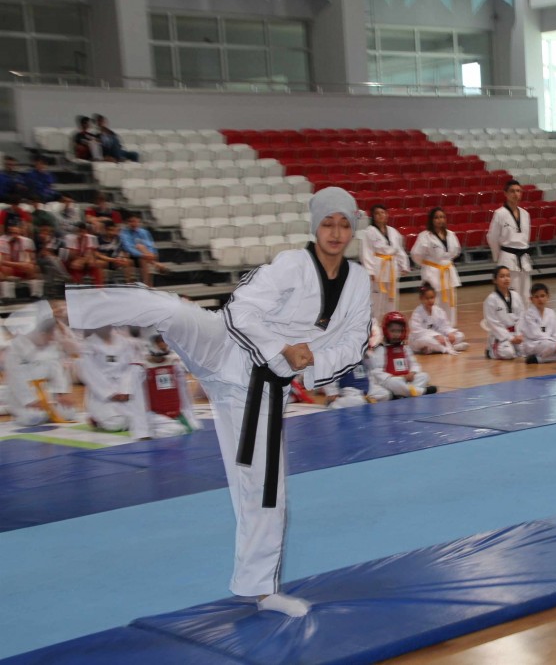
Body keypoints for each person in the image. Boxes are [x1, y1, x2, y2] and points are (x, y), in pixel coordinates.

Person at [66, 186, 373, 617]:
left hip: (260, 392)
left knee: (265, 493)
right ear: (314, 226)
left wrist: (314, 364)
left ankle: (261, 591)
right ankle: (74, 310)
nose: (336, 233)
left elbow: (355, 339)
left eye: (343, 224)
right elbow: (240, 309)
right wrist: (282, 348)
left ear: (353, 228)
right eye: (327, 223)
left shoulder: (358, 282)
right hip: (222, 347)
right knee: (169, 310)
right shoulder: (291, 264)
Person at [4, 301, 76, 425]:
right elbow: (15, 379)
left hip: (47, 397)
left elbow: (57, 371)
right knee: (33, 417)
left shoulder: (50, 346)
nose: (52, 338)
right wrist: (30, 401)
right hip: (23, 400)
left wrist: (62, 393)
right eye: (50, 335)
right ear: (42, 333)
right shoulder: (17, 349)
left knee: (68, 413)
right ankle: (16, 411)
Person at [76, 325, 150, 439]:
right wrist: (110, 393)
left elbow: (130, 368)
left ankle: (122, 417)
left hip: (124, 390)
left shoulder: (124, 343)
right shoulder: (88, 345)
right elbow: (90, 373)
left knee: (144, 418)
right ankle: (96, 419)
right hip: (101, 394)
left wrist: (125, 390)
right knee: (115, 424)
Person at [366, 311, 436, 400]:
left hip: (406, 379)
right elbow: (376, 371)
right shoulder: (381, 349)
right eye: (392, 331)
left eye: (399, 331)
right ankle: (421, 391)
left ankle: (401, 393)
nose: (396, 334)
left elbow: (414, 364)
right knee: (393, 383)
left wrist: (412, 373)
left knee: (424, 376)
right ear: (385, 330)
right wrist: (392, 377)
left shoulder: (405, 348)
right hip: (393, 380)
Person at [410, 207, 462, 326]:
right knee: (434, 301)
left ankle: (449, 328)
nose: (440, 220)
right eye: (437, 217)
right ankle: (433, 327)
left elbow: (456, 251)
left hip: (448, 271)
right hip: (432, 272)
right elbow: (416, 254)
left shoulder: (451, 234)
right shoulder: (425, 236)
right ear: (431, 220)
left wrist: (445, 261)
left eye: (442, 217)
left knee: (450, 302)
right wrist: (427, 264)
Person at [140, 332, 199, 437]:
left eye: (165, 343)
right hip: (156, 413)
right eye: (160, 343)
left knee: (193, 428)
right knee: (172, 432)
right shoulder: (142, 367)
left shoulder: (174, 363)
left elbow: (184, 392)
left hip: (175, 410)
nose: (163, 346)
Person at [360, 204, 410, 323]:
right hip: (378, 269)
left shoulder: (393, 232)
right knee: (376, 299)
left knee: (392, 298)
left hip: (391, 268)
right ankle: (374, 326)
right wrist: (370, 271)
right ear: (373, 217)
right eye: (377, 213)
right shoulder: (368, 232)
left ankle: (391, 324)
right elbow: (366, 252)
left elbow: (399, 250)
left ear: (387, 215)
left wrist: (404, 265)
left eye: (382, 213)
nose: (380, 215)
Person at [487, 179, 532, 298]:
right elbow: (492, 238)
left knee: (526, 295)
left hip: (524, 259)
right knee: (512, 294)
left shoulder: (525, 214)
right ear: (505, 194)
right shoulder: (500, 214)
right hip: (507, 258)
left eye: (518, 191)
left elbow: (526, 237)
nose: (516, 194)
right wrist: (498, 256)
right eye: (512, 191)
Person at [521, 282, 556, 365]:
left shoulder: (551, 313)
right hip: (534, 345)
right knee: (547, 345)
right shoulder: (528, 314)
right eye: (536, 297)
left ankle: (539, 360)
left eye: (542, 296)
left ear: (548, 296)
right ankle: (551, 355)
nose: (540, 299)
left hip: (551, 344)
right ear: (531, 299)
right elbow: (536, 335)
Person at [408, 283, 468, 355]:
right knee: (426, 340)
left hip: (439, 339)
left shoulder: (438, 311)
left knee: (460, 335)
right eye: (427, 298)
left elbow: (444, 325)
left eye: (432, 298)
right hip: (421, 340)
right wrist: (436, 335)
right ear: (421, 299)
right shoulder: (417, 313)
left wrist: (449, 333)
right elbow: (417, 332)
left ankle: (434, 349)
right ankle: (447, 349)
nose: (430, 300)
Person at [482, 265, 525, 360]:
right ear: (495, 280)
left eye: (508, 276)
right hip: (500, 336)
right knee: (508, 353)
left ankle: (515, 348)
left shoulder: (516, 296)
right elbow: (493, 323)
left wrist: (518, 334)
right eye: (502, 276)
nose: (506, 279)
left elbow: (521, 316)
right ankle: (491, 351)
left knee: (529, 349)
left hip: (516, 333)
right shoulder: (491, 300)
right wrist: (510, 338)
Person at [1, 216, 42, 299]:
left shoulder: (27, 241)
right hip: (8, 267)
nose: (14, 235)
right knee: (4, 270)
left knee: (32, 268)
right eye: (11, 232)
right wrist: (20, 265)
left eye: (16, 232)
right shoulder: (1, 241)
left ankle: (36, 295)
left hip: (20, 266)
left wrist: (27, 264)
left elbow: (31, 259)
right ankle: (7, 297)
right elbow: (2, 261)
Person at [119, 212, 166, 287]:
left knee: (144, 252)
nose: (133, 224)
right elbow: (128, 247)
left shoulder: (144, 232)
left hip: (145, 256)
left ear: (139, 222)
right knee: (140, 247)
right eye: (131, 221)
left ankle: (148, 285)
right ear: (127, 223)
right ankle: (155, 265)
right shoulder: (124, 233)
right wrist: (143, 255)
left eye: (136, 221)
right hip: (131, 256)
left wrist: (151, 254)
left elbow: (150, 245)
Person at [62, 221, 102, 285]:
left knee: (94, 264)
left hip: (81, 258)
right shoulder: (69, 238)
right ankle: (77, 285)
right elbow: (70, 255)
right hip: (68, 259)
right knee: (75, 265)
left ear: (85, 231)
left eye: (82, 231)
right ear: (75, 231)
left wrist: (83, 261)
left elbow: (89, 253)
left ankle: (98, 287)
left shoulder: (90, 237)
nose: (80, 234)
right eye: (78, 231)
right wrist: (80, 260)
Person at [95, 219, 133, 283]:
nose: (111, 232)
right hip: (105, 261)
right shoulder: (98, 239)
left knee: (128, 262)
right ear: (105, 230)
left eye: (113, 230)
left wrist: (122, 258)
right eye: (109, 230)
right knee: (98, 263)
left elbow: (124, 252)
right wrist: (111, 259)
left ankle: (129, 284)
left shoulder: (118, 238)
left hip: (116, 260)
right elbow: (97, 254)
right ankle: (100, 286)